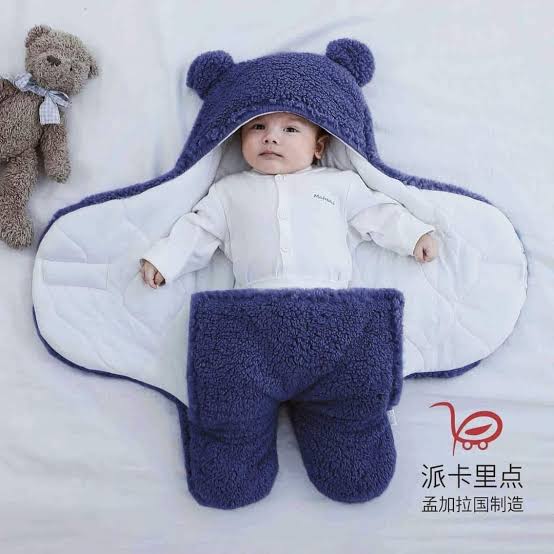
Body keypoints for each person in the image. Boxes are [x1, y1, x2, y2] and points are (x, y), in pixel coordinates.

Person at [140, 111, 438, 289]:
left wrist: (413, 236)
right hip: (253, 302)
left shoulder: (339, 184)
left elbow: (378, 214)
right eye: (258, 127)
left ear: (318, 147)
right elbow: (198, 231)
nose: (270, 137)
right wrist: (166, 261)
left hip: (329, 297)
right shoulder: (227, 191)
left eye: (290, 129)